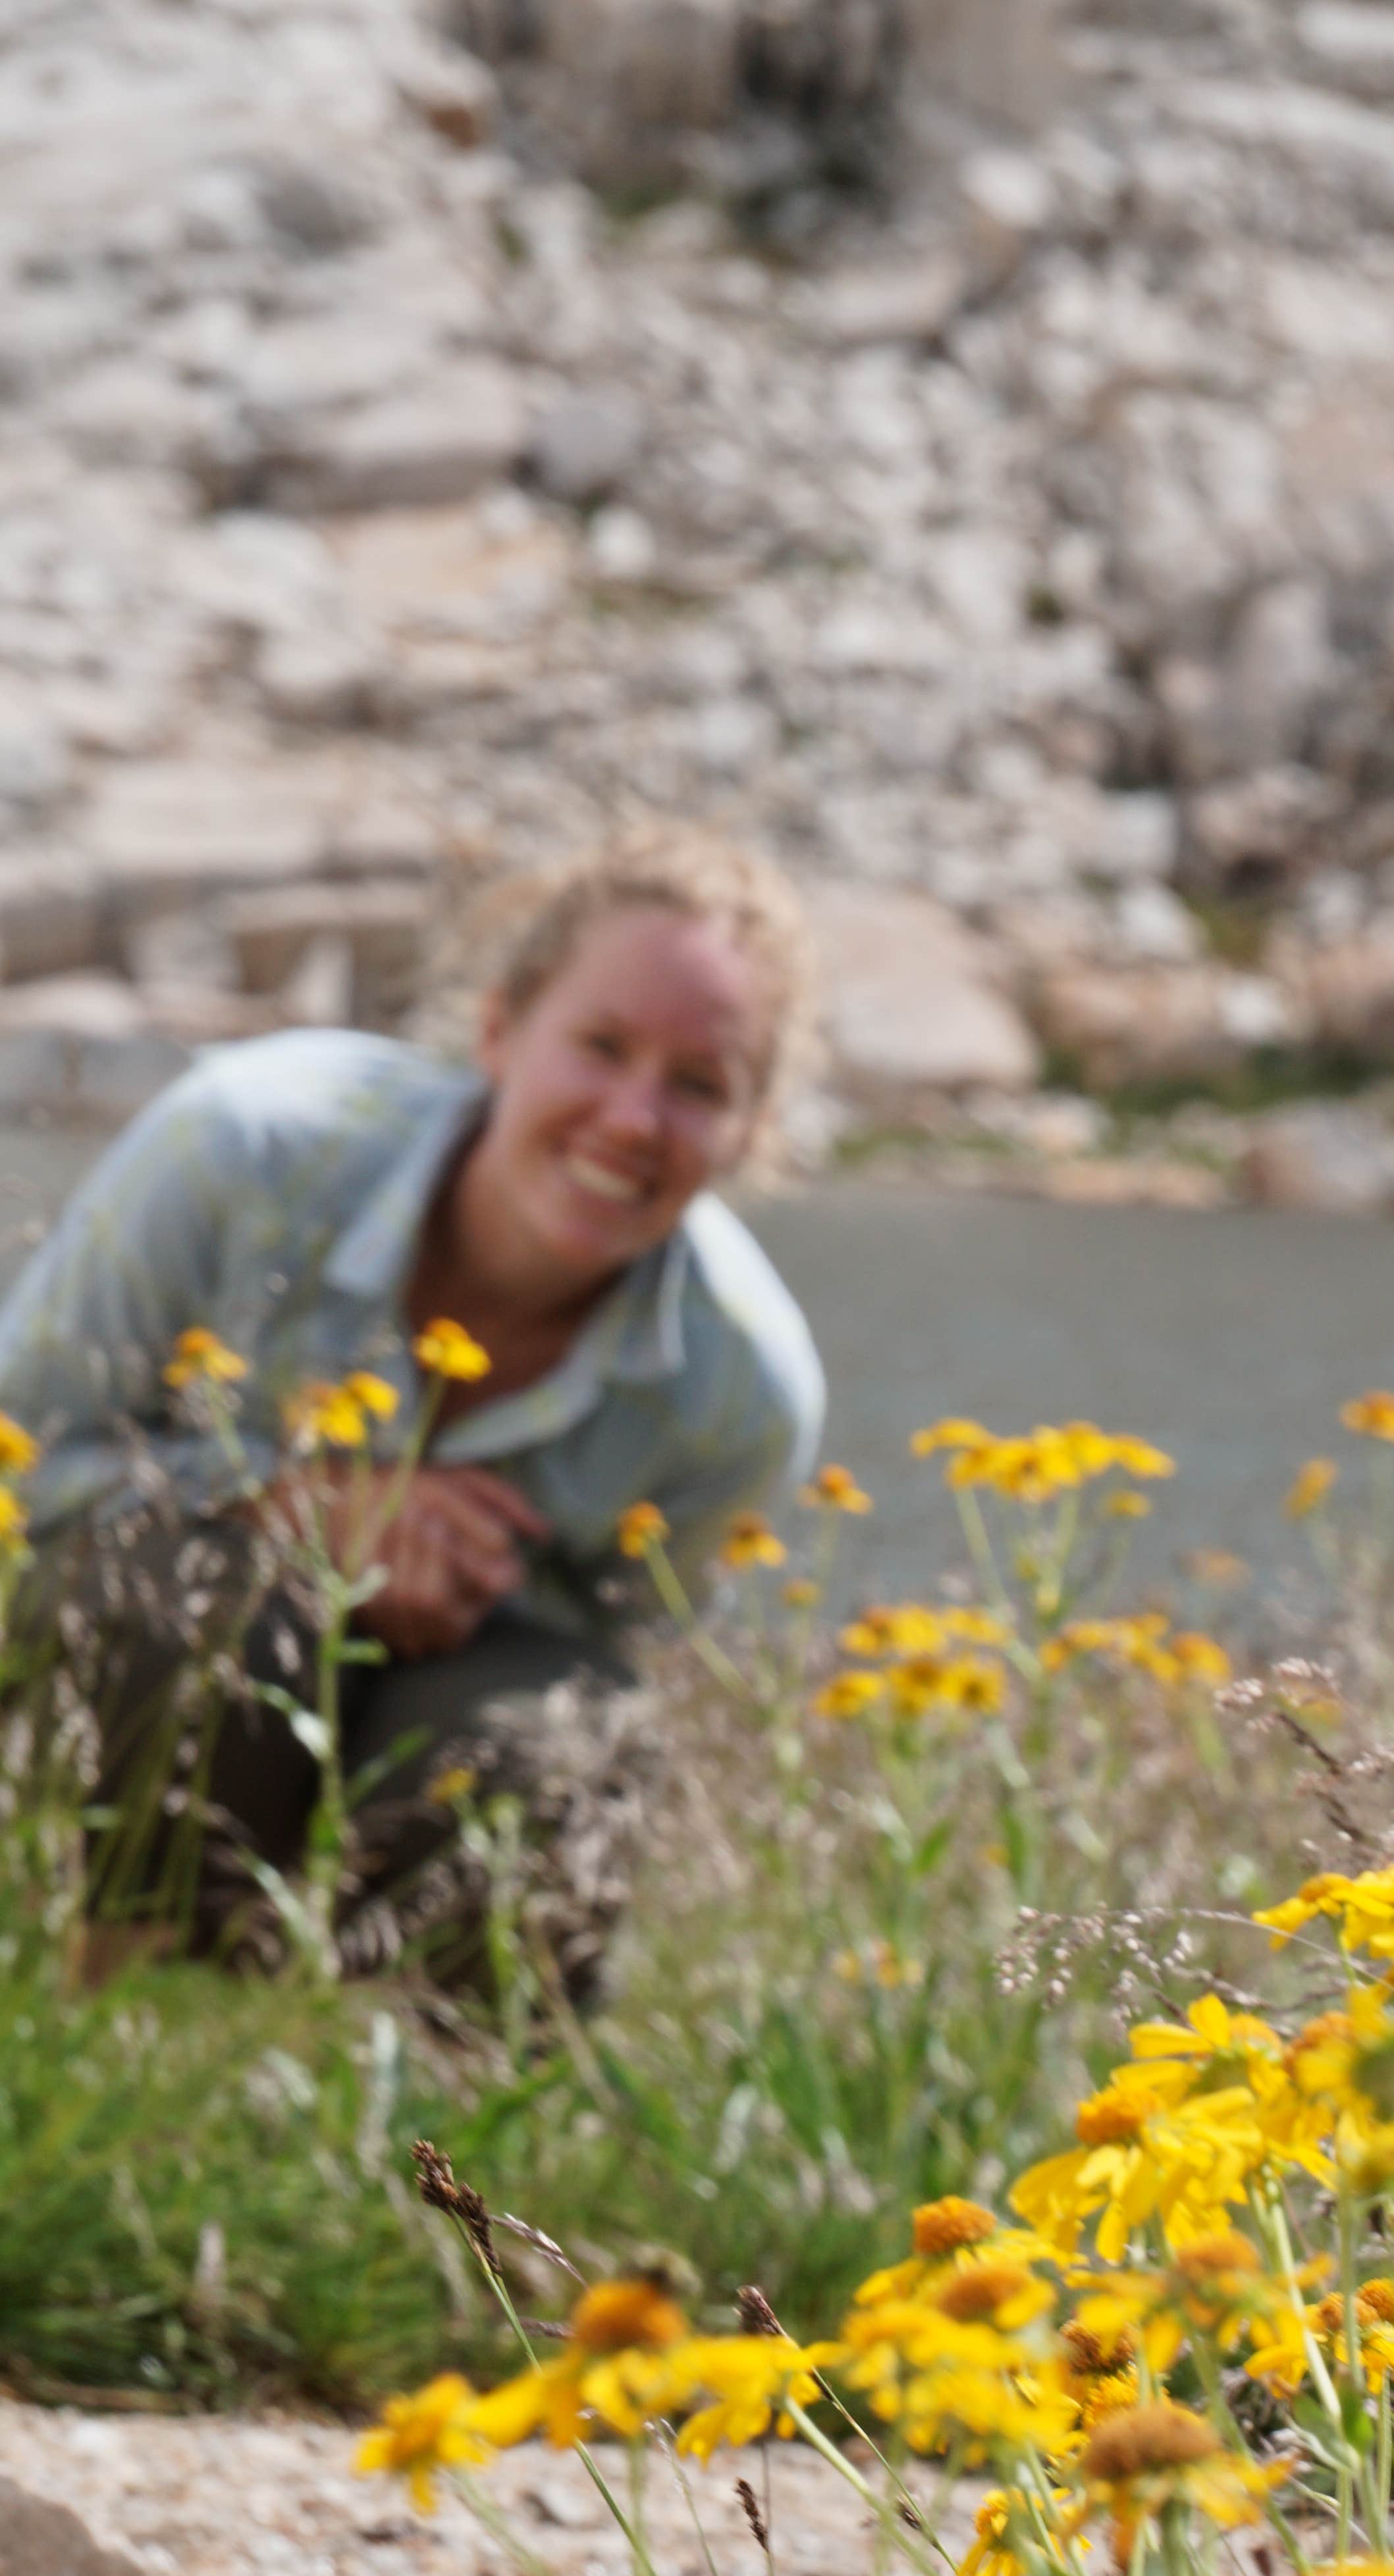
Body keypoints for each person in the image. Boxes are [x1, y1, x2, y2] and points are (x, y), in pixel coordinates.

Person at [0, 822, 826, 1991]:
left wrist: (445, 1582)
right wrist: (285, 1505)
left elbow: (625, 1648)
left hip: (432, 1716)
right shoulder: (244, 1146)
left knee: (563, 1755)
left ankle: (420, 2140)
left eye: (701, 1087)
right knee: (213, 1613)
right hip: (115, 1670)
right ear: (499, 1031)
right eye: (601, 1046)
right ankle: (94, 2024)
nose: (636, 1120)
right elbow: (19, 1459)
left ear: (751, 1133)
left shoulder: (742, 1396)